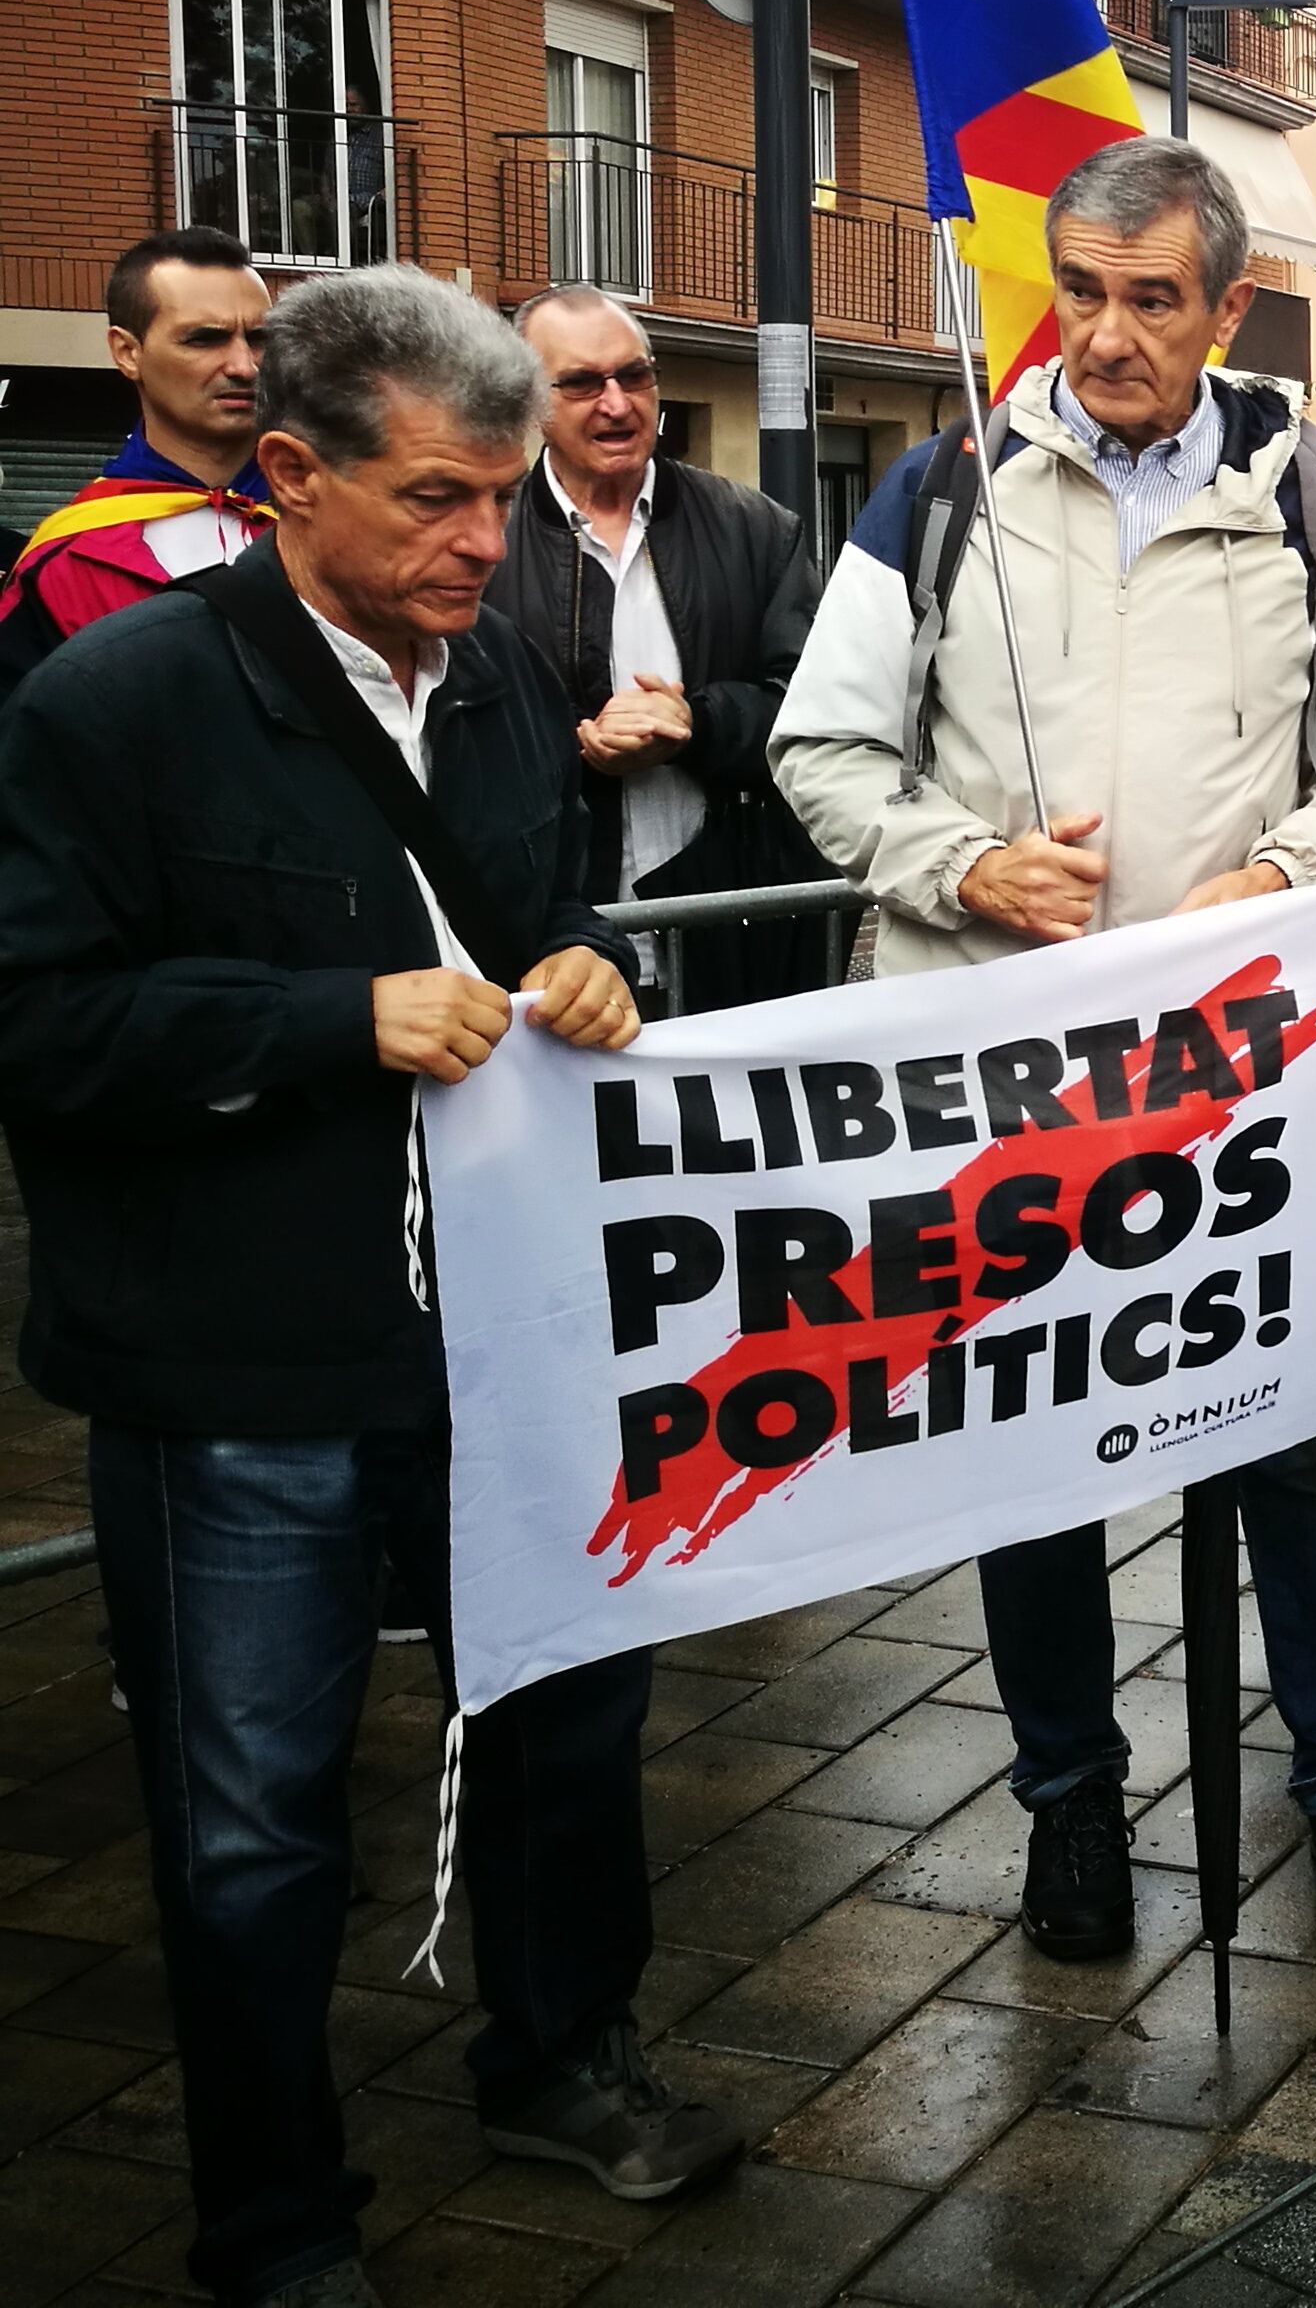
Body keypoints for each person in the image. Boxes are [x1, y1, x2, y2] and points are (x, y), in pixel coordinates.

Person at [0, 268, 737, 2308]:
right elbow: (40, 1024)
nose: (479, 548)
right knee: (250, 1817)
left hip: (506, 1337)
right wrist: (331, 1021)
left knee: (571, 1732)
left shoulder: (497, 674)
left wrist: (589, 961)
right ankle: (275, 2220)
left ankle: (560, 2058)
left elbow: (534, 909)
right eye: (433, 501)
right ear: (290, 475)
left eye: (500, 502)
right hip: (237, 1359)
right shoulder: (119, 700)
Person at [771, 135, 1316, 1969]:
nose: (1111, 334)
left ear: (1228, 307)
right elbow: (823, 755)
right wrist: (959, 865)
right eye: (1083, 293)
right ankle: (1070, 1808)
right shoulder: (943, 487)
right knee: (1030, 1452)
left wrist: (1270, 879)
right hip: (1006, 1074)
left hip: (1236, 1074)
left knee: (1288, 1433)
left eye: (1154, 299)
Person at [481, 289, 829, 1008]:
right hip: (556, 953)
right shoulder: (481, 542)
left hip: (728, 938)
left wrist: (695, 726)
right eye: (581, 383)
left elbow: (820, 708)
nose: (616, 404)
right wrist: (577, 744)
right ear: (526, 399)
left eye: (634, 376)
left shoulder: (757, 529)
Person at [0, 226, 276, 707]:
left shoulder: (341, 518)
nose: (244, 365)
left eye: (259, 337)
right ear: (127, 352)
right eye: (204, 339)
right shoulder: (63, 562)